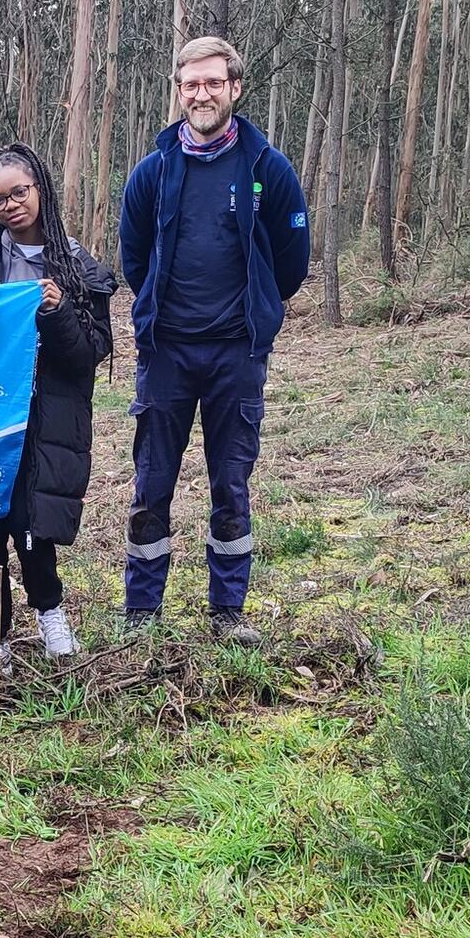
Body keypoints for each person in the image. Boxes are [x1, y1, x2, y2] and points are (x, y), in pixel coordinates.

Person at [116, 36, 310, 644]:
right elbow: (134, 259)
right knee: (151, 484)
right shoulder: (152, 172)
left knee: (231, 483)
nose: (201, 94)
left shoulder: (267, 169)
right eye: (190, 84)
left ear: (235, 89)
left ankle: (227, 613)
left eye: (213, 83)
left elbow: (291, 262)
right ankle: (142, 614)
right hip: (166, 354)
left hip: (237, 353)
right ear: (179, 91)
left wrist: (256, 310)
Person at [0, 143, 114, 676]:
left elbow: (92, 351)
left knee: (33, 521)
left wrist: (59, 310)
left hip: (47, 419)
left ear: (40, 189)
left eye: (19, 193)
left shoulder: (77, 265)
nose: (11, 206)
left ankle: (50, 612)